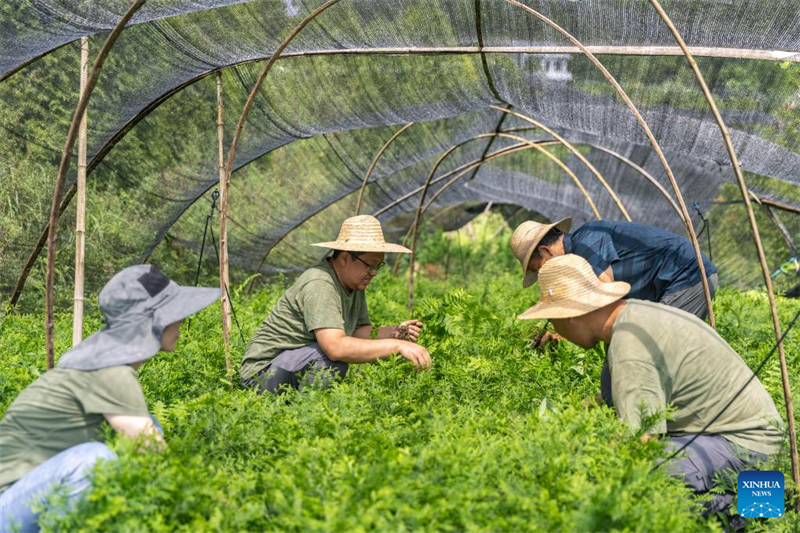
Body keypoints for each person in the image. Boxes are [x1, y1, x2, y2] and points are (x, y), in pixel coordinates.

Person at [518, 254, 784, 518]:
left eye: (554, 320)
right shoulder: (635, 315)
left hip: (748, 448)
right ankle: (761, 502)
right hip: (744, 435)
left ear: (571, 316)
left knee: (641, 477)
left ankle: (758, 510)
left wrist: (582, 464)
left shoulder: (629, 347)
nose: (557, 331)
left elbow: (639, 445)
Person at [0, 265, 220, 533]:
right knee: (95, 461)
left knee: (147, 425)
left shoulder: (107, 364)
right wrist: (209, 515)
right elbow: (155, 459)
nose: (182, 322)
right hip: (8, 507)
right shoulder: (110, 371)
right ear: (153, 321)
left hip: (29, 493)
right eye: (176, 314)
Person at [241, 215, 432, 395]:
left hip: (290, 364)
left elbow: (357, 331)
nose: (374, 273)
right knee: (331, 360)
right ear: (344, 259)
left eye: (378, 266)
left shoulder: (354, 284)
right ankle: (303, 417)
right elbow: (336, 347)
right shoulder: (320, 283)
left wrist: (394, 332)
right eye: (369, 265)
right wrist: (396, 346)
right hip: (261, 376)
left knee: (330, 358)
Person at [510, 218, 718, 320]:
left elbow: (606, 297)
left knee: (660, 345)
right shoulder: (581, 250)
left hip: (687, 276)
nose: (546, 273)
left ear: (546, 251)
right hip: (674, 282)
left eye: (541, 268)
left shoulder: (586, 240)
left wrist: (568, 327)